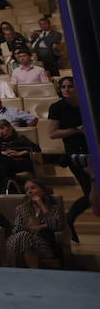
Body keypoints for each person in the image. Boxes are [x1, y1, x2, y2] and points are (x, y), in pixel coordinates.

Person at [48, 77, 92, 240]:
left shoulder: (87, 102)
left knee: (93, 193)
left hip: (93, 149)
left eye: (70, 86)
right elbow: (52, 134)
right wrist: (75, 130)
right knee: (91, 193)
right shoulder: (57, 107)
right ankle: (69, 219)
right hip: (75, 154)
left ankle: (69, 219)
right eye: (63, 87)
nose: (66, 89)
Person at [7, 179, 66, 268]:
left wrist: (42, 205)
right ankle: (34, 272)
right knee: (23, 236)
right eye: (27, 190)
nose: (30, 191)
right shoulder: (21, 208)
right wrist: (40, 227)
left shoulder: (53, 208)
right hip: (22, 241)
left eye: (33, 188)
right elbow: (16, 229)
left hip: (43, 245)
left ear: (43, 190)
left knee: (23, 236)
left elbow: (55, 226)